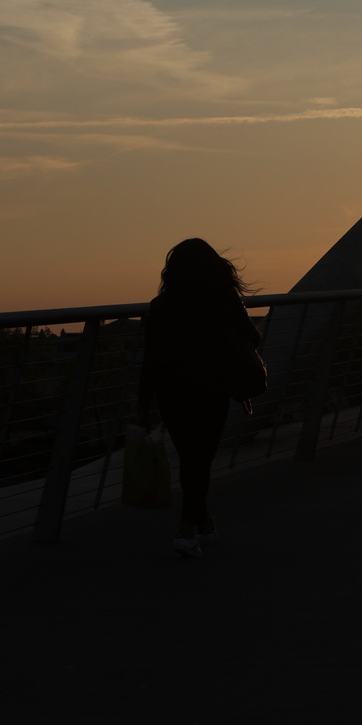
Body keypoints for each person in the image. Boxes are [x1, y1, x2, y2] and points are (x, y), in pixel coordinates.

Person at [137, 239, 260, 558]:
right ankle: (186, 530)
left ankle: (203, 524)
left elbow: (150, 358)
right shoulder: (222, 300)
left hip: (170, 391)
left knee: (191, 459)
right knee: (199, 460)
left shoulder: (160, 306)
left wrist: (142, 404)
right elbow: (252, 336)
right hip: (212, 388)